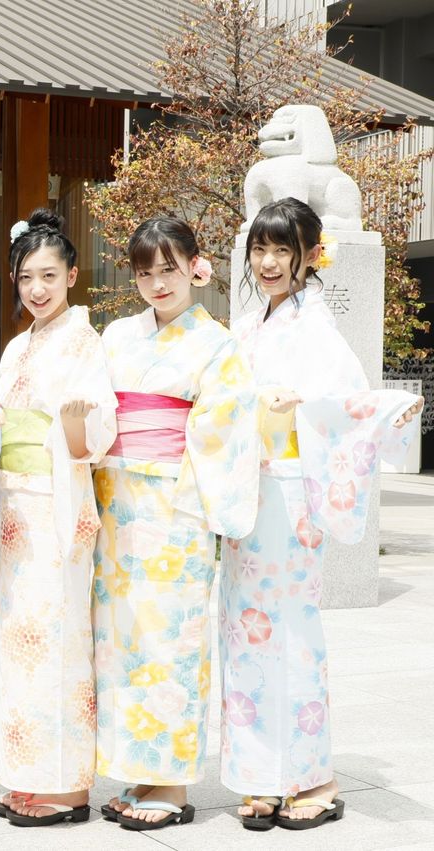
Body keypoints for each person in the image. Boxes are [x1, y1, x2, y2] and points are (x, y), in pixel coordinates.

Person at [222, 197, 423, 831]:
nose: (269, 262)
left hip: (291, 492)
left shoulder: (318, 333)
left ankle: (313, 777)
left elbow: (347, 406)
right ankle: (259, 773)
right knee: (244, 632)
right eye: (260, 248)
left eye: (283, 249)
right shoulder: (246, 327)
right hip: (246, 496)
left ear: (310, 255)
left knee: (292, 631)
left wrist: (314, 405)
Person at [94, 216, 259, 831]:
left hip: (176, 509)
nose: (157, 283)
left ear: (195, 265)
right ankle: (139, 770)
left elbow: (223, 429)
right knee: (121, 643)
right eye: (145, 273)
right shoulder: (118, 336)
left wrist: (208, 505)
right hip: (117, 507)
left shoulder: (217, 344)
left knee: (171, 641)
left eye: (168, 269)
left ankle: (172, 781)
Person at [0, 211, 117, 827]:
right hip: (16, 509)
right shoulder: (18, 346)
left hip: (57, 504)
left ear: (71, 275)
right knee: (18, 639)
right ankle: (27, 773)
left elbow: (96, 429)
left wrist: (74, 425)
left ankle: (66, 785)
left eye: (48, 275)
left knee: (58, 638)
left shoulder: (85, 342)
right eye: (25, 278)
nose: (36, 289)